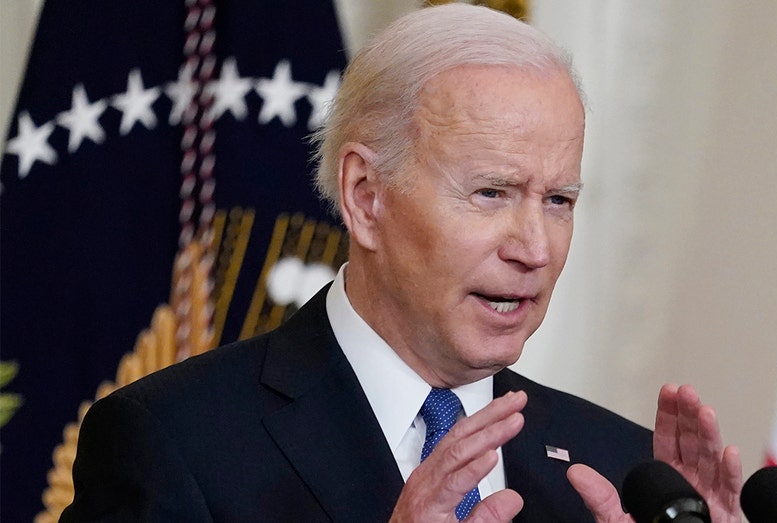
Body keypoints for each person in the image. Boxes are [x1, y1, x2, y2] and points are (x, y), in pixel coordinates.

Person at [62, 4, 742, 522]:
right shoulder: (173, 443)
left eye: (557, 199)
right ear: (365, 195)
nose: (534, 247)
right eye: (491, 193)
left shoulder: (622, 468)